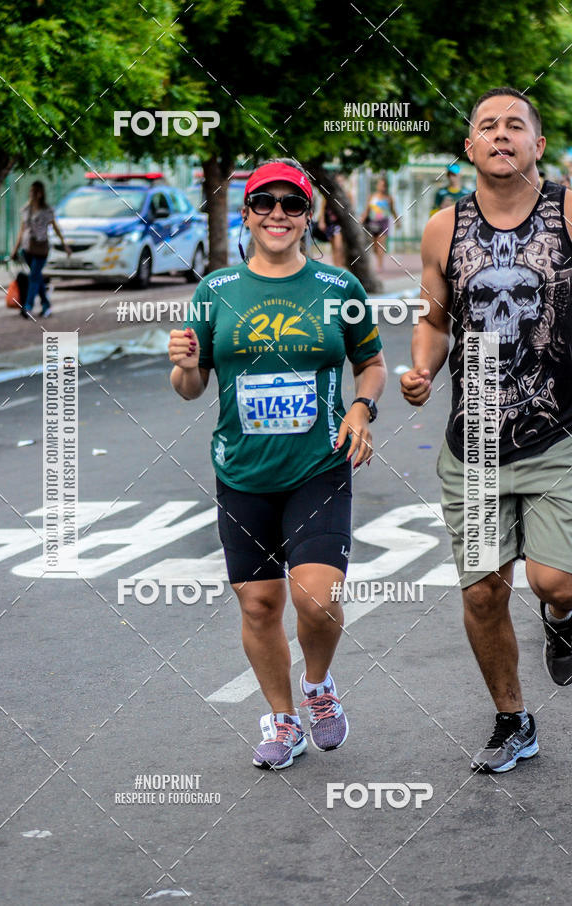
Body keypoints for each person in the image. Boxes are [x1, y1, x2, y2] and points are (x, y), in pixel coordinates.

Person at [169, 158, 387, 770]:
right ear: (247, 214)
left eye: (292, 204)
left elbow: (371, 363)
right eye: (264, 203)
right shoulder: (216, 291)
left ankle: (318, 685)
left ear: (307, 217)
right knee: (260, 604)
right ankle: (283, 720)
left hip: (319, 464)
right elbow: (190, 386)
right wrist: (183, 365)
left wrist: (362, 408)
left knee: (316, 598)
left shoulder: (339, 289)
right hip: (242, 471)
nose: (278, 214)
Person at [401, 86, 572, 774]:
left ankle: (561, 622)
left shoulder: (567, 211)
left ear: (537, 144)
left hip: (559, 433)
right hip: (472, 443)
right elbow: (433, 320)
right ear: (468, 146)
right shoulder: (444, 228)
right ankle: (512, 720)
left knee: (557, 582)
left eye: (515, 125)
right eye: (488, 126)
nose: (502, 134)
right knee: (482, 592)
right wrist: (421, 367)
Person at [11, 181, 70, 318]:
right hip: (27, 248)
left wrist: (64, 244)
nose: (32, 194)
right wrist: (15, 249)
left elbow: (55, 227)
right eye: (31, 191)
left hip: (41, 248)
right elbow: (22, 231)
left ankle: (28, 306)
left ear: (41, 193)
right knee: (36, 277)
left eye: (35, 191)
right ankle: (46, 305)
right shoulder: (26, 209)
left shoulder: (47, 210)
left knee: (34, 276)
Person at [362, 176, 400, 273]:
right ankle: (377, 257)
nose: (381, 187)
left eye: (383, 185)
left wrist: (397, 221)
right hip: (373, 223)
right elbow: (367, 210)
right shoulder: (372, 197)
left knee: (380, 244)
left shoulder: (389, 198)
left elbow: (393, 210)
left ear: (386, 187)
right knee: (374, 246)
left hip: (384, 223)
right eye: (380, 185)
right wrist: (361, 219)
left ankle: (380, 265)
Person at [317, 173, 351, 267]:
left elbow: (351, 210)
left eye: (341, 181)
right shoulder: (329, 194)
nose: (340, 183)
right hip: (330, 223)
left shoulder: (347, 195)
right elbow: (323, 209)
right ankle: (336, 266)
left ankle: (340, 266)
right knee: (334, 247)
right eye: (338, 181)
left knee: (339, 246)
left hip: (341, 224)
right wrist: (321, 221)